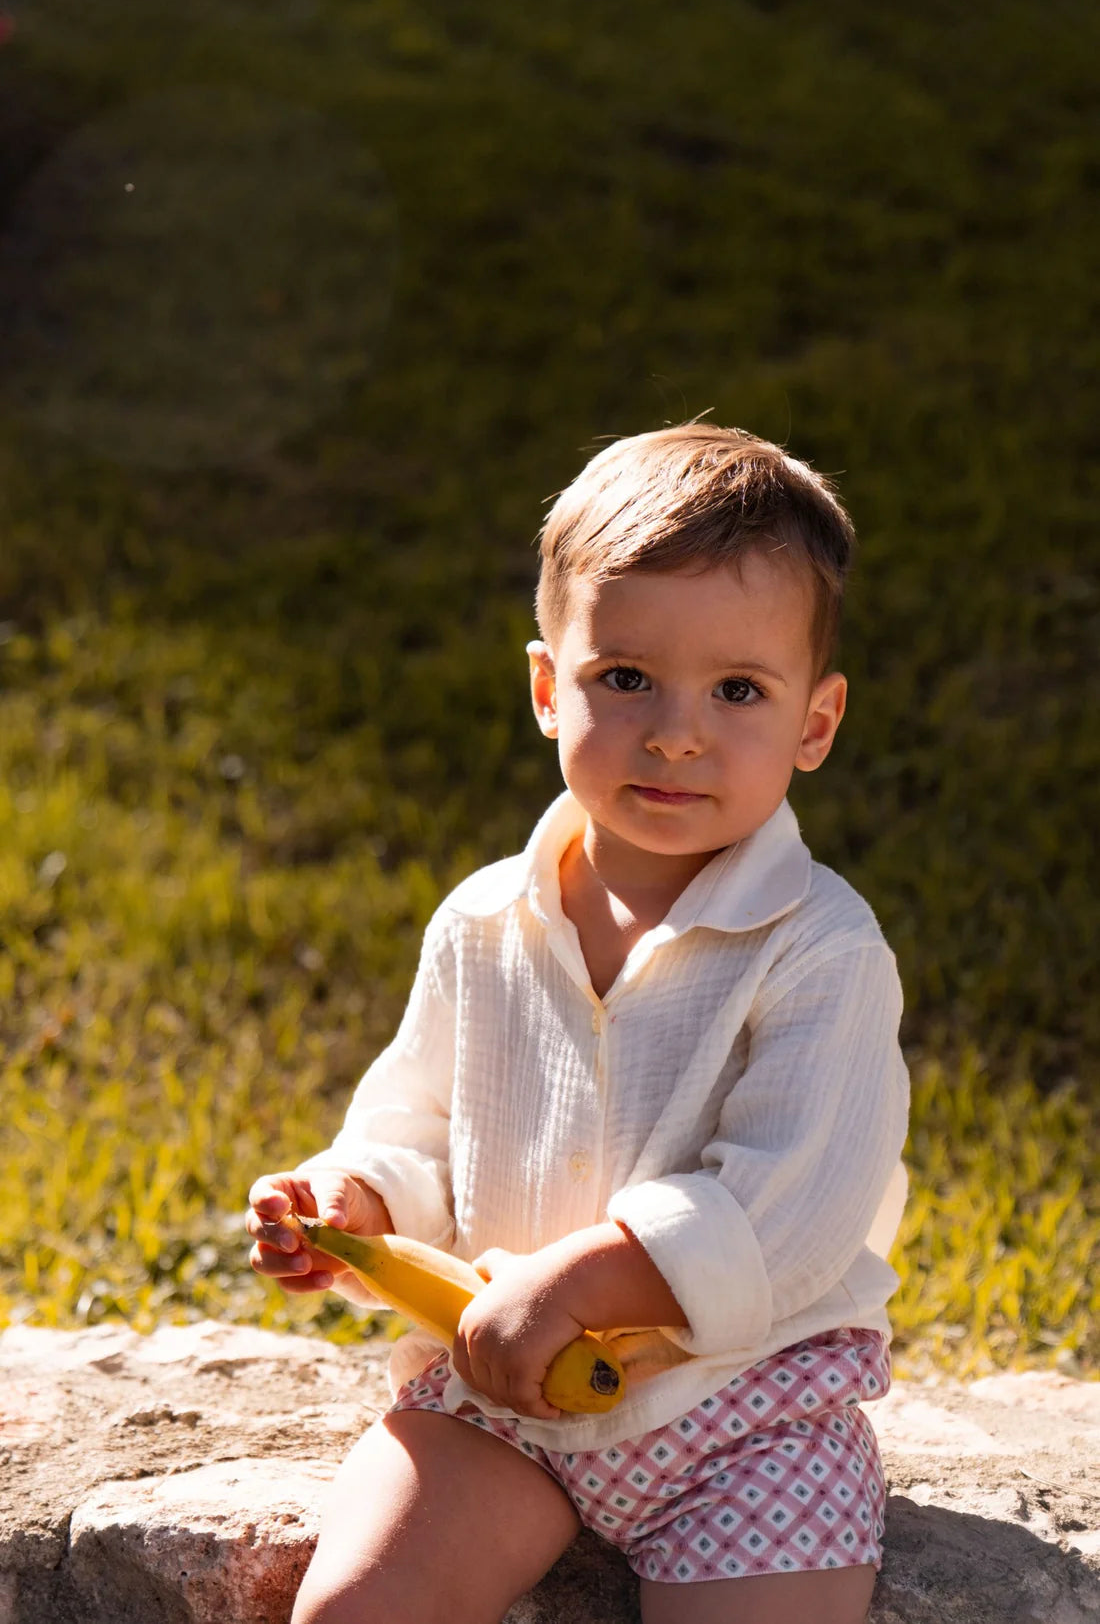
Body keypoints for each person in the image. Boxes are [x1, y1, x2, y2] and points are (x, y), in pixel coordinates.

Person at [247, 422, 910, 1624]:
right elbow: (423, 1120)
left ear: (813, 725)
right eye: (625, 678)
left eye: (738, 691)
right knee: (355, 1610)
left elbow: (789, 1207)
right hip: (498, 1391)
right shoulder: (485, 921)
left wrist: (581, 1277)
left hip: (739, 1417)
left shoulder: (820, 951)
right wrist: (360, 1204)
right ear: (549, 689)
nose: (674, 731)